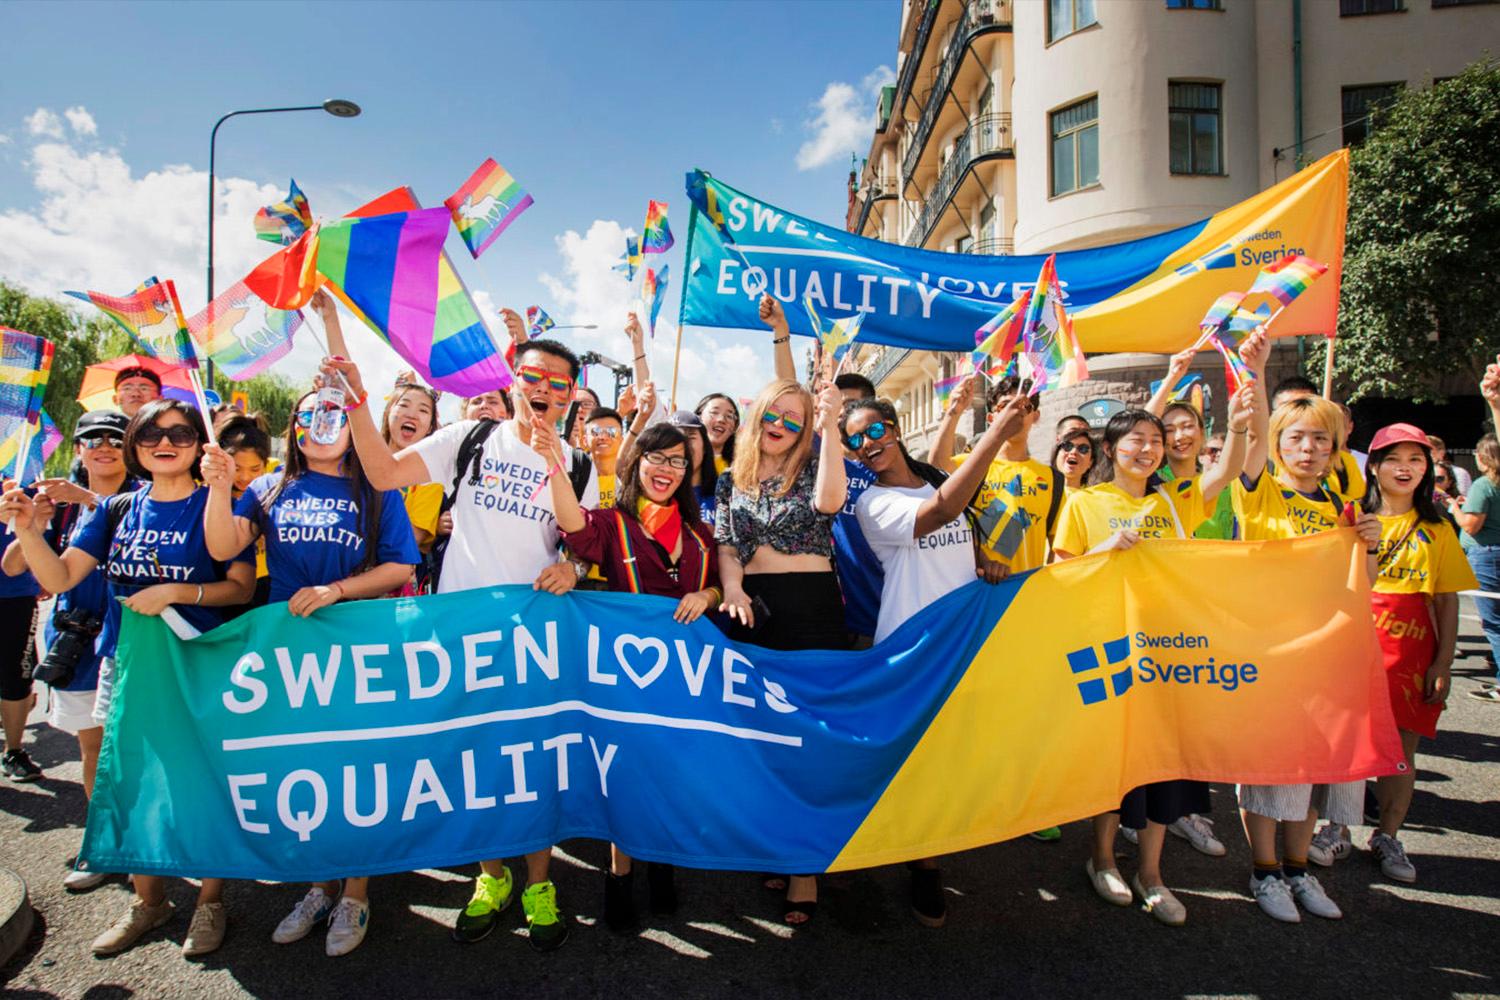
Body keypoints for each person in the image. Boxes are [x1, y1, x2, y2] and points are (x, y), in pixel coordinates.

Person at [316, 289, 594, 952]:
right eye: (530, 377)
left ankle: (538, 884)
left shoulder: (577, 462)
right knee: (478, 763)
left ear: (571, 395)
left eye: (558, 383)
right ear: (510, 378)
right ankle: (489, 878)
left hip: (535, 642)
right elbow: (382, 472)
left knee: (532, 765)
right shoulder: (468, 437)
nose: (543, 390)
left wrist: (574, 562)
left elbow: (579, 531)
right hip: (460, 637)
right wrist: (358, 400)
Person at [1, 399, 255, 957]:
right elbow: (62, 575)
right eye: (152, 434)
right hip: (126, 665)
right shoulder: (116, 510)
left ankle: (210, 902)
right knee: (135, 784)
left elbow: (238, 587)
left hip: (200, 664)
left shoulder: (223, 504)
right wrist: (30, 532)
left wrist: (178, 593)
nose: (166, 442)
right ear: (136, 444)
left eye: (182, 433)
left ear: (198, 443)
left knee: (202, 783)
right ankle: (150, 901)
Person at [200, 388, 420, 956]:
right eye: (309, 415)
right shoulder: (270, 486)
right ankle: (319, 886)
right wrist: (222, 487)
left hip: (357, 646)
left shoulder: (375, 486)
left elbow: (401, 565)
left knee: (357, 767)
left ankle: (356, 892)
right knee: (308, 766)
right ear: (293, 427)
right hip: (290, 651)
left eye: (335, 415)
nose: (323, 424)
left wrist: (337, 590)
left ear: (352, 426)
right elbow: (225, 545)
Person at [1052, 386, 1254, 927]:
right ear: (1111, 448)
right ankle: (1101, 858)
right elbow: (1059, 572)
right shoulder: (1084, 504)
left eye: (1156, 441)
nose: (1148, 449)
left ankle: (1152, 872)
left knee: (1162, 760)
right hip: (1111, 649)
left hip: (1169, 651)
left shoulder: (1174, 499)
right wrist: (1104, 551)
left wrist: (1235, 426)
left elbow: (1228, 472)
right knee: (1113, 759)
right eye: (1136, 440)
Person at [844, 393, 1023, 926]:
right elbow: (941, 511)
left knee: (947, 755)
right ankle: (913, 858)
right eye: (854, 441)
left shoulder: (944, 477)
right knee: (911, 759)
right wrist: (994, 435)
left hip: (963, 637)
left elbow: (1007, 530)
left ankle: (928, 853)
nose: (866, 446)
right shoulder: (871, 504)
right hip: (911, 645)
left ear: (895, 429)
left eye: (873, 432)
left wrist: (988, 561)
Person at [544, 420, 720, 932]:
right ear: (636, 461)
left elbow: (723, 590)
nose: (666, 469)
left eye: (677, 461)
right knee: (623, 777)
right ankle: (619, 874)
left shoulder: (701, 535)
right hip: (622, 681)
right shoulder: (610, 523)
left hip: (682, 681)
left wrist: (706, 595)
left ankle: (661, 861)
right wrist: (555, 462)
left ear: (689, 472)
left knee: (670, 774)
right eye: (656, 458)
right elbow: (572, 527)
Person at [1230, 357, 1382, 921]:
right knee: (1272, 767)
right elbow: (1246, 452)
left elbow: (1361, 589)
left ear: (1336, 449)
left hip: (1329, 659)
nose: (1310, 449)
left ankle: (1299, 870)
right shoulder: (1260, 491)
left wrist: (1366, 544)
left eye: (1322, 439)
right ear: (1278, 443)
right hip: (1272, 655)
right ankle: (1264, 873)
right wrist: (1258, 372)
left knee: (1316, 767)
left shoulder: (1343, 510)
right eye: (1296, 438)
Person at [714, 376, 847, 924]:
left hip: (812, 608)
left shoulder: (816, 464)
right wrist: (734, 587)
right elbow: (726, 542)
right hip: (753, 608)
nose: (782, 427)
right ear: (759, 414)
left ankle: (805, 868)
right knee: (763, 735)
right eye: (776, 415)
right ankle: (779, 843)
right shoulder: (730, 479)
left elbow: (831, 502)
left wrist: (831, 426)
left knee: (809, 738)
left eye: (796, 420)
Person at [3, 411, 135, 887]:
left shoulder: (146, 493)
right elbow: (16, 566)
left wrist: (90, 499)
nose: (104, 446)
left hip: (130, 636)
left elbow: (134, 522)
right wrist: (29, 525)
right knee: (92, 746)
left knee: (138, 747)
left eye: (115, 439)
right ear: (78, 448)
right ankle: (103, 842)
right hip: (77, 639)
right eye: (92, 439)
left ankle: (150, 843)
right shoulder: (56, 503)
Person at [1355, 423, 1476, 884]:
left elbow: (1447, 598)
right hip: (1356, 647)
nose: (1405, 469)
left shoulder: (1438, 527)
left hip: (1411, 652)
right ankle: (1334, 827)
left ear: (1428, 469)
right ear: (1375, 467)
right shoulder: (1351, 517)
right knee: (1349, 743)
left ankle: (1388, 834)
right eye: (1394, 459)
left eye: (1416, 460)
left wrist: (1443, 662)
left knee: (1401, 750)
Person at [1455, 433, 1500, 702]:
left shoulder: (1484, 485)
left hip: (1487, 556)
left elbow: (1472, 525)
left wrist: (1454, 509)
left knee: (1494, 624)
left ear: (1483, 458)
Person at [380, 373, 443, 556]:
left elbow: (409, 540)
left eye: (423, 410)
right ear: (388, 412)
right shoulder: (359, 461)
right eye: (404, 405)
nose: (412, 415)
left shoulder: (430, 480)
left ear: (431, 427)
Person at [584, 407, 625, 509]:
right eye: (596, 431)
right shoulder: (574, 476)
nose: (603, 437)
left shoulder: (629, 481)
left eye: (611, 431)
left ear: (622, 440)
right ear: (585, 440)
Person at [695, 393, 740, 474]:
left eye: (729, 416)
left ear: (734, 427)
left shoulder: (739, 469)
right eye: (714, 412)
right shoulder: (683, 460)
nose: (721, 420)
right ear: (699, 417)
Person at [1051, 427, 1095, 493]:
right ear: (1056, 455)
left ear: (1090, 462)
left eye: (1083, 449)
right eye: (1067, 446)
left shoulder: (1095, 498)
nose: (1074, 452)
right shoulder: (1040, 492)